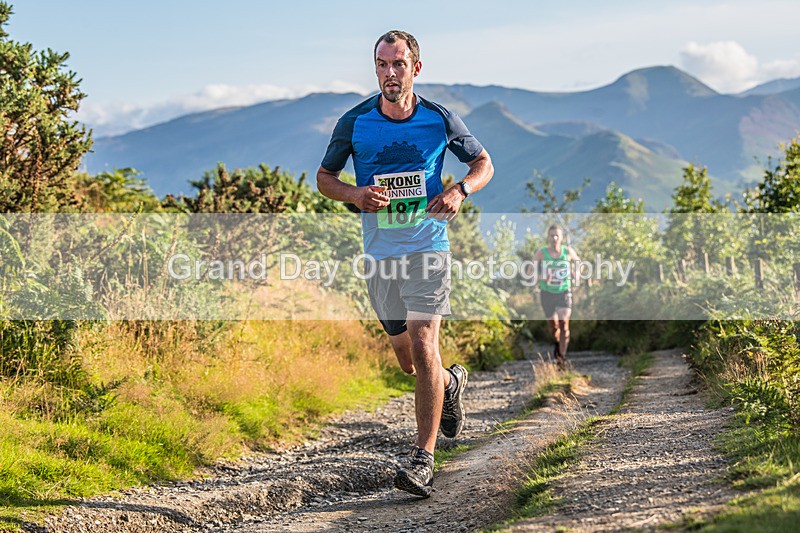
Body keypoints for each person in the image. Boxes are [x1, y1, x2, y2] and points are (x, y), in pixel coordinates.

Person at [316, 30, 494, 498]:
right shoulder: (355, 122)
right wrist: (355, 194)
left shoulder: (439, 119)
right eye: (381, 64)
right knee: (406, 359)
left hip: (428, 246)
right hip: (380, 253)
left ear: (416, 68)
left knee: (422, 342)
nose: (389, 73)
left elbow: (483, 163)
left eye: (398, 64)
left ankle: (423, 458)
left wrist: (460, 190)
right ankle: (450, 383)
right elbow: (324, 178)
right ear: (375, 67)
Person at [533, 224, 580, 367]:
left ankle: (561, 358)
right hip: (547, 293)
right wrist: (542, 277)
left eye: (557, 235)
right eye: (552, 235)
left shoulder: (567, 251)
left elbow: (577, 262)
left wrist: (576, 275)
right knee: (554, 328)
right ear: (548, 237)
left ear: (561, 238)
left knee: (564, 325)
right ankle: (556, 343)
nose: (554, 238)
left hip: (564, 291)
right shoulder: (542, 253)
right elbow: (531, 271)